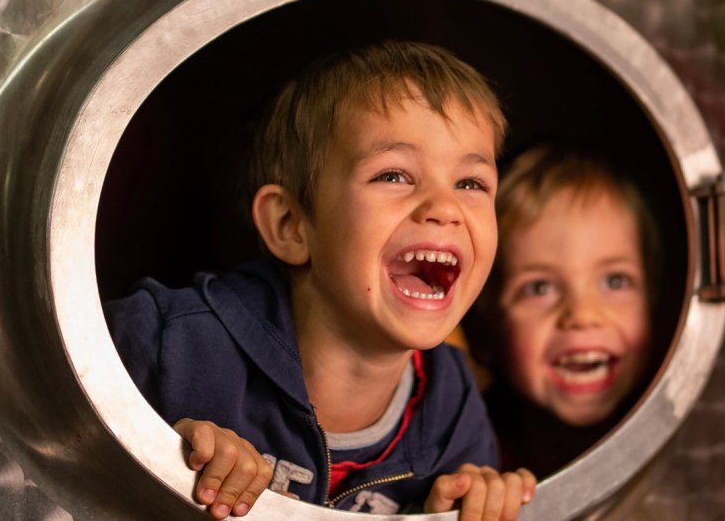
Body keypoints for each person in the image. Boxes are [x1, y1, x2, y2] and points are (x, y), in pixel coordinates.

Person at [105, 41, 536, 519]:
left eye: (471, 184)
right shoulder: (167, 342)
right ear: (291, 225)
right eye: (394, 175)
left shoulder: (451, 403)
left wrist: (472, 500)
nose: (444, 208)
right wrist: (154, 446)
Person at [464, 144, 657, 476]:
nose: (583, 315)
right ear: (484, 331)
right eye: (540, 288)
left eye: (614, 281)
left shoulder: (681, 436)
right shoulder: (464, 452)